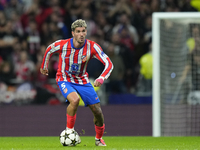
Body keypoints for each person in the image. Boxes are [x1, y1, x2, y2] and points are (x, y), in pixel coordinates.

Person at [40, 19, 113, 146]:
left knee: (97, 111)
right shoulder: (63, 45)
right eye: (78, 31)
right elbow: (49, 49)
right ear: (73, 33)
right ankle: (69, 131)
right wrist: (44, 66)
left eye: (83, 31)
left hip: (82, 80)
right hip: (64, 78)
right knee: (74, 100)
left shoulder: (92, 47)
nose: (81, 34)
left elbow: (109, 64)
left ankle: (98, 139)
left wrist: (101, 78)